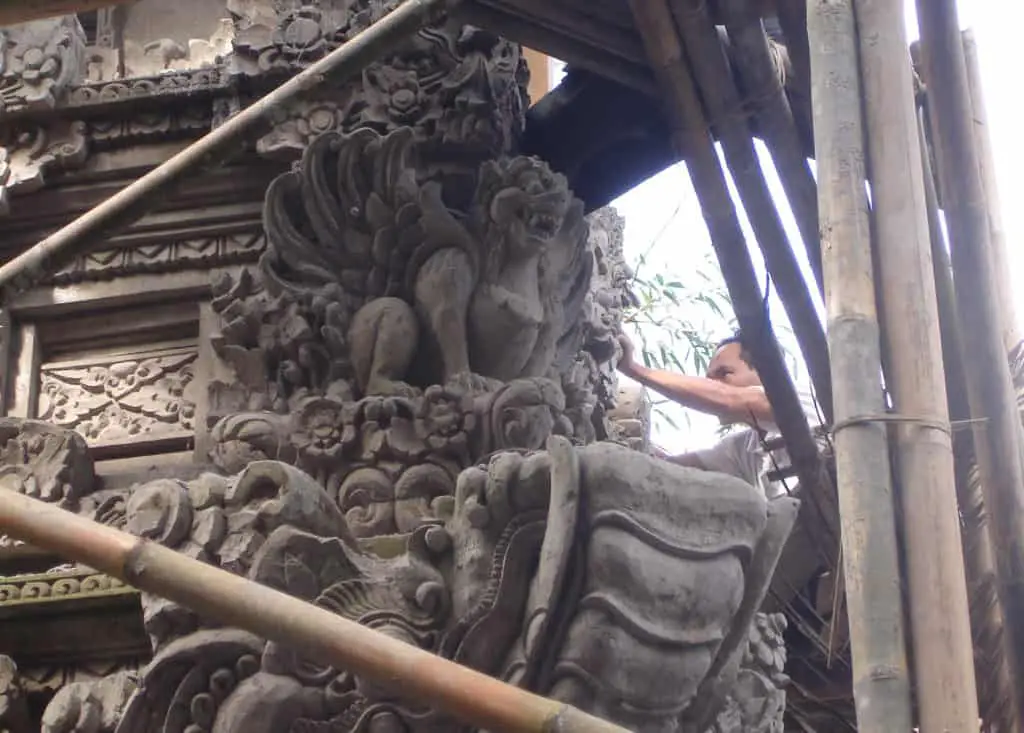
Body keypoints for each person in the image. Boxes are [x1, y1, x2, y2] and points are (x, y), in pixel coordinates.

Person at [617, 331, 821, 499]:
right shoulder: (744, 449)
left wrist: (633, 368)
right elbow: (671, 467)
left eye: (724, 373)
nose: (714, 385)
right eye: (709, 380)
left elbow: (727, 398)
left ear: (763, 373)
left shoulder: (804, 400)